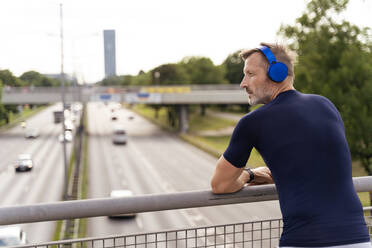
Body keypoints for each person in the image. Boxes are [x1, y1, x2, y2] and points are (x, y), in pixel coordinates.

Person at [210, 43, 370, 247]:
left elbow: (220, 184)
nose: (243, 83)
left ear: (277, 73)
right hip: (359, 239)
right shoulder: (326, 105)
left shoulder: (252, 122)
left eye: (250, 74)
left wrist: (249, 175)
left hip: (305, 241)